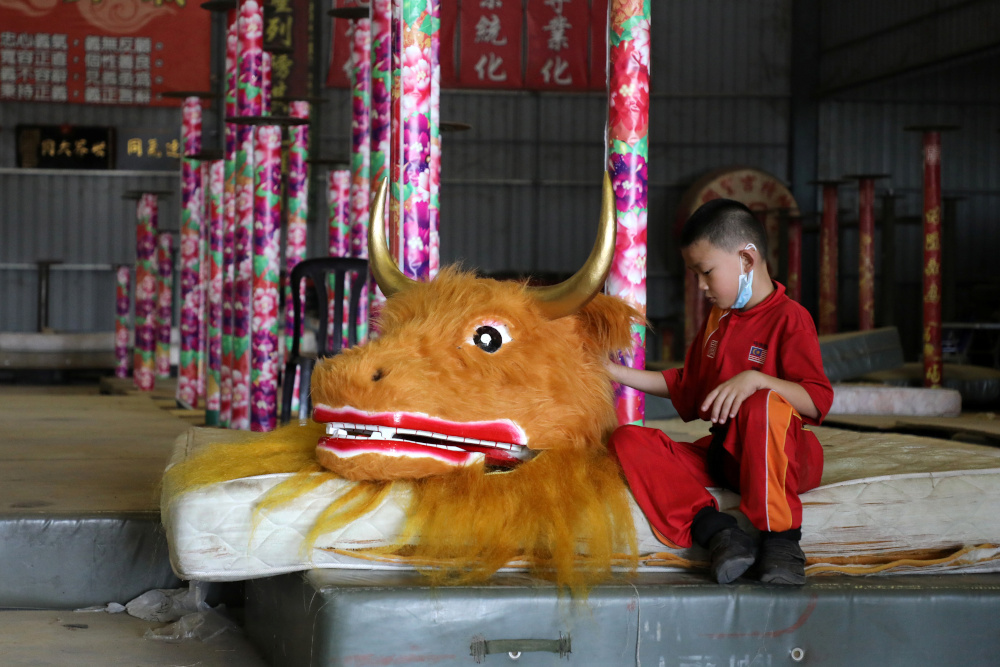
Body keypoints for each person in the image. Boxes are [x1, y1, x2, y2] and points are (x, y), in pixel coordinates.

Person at [606, 198, 833, 585]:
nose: (701, 286)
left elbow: (815, 399)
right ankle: (718, 533)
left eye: (706, 272)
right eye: (696, 274)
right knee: (626, 440)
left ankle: (781, 540)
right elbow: (686, 385)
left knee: (762, 405)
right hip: (726, 456)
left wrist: (757, 379)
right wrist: (611, 371)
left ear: (747, 259)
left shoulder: (790, 318)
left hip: (786, 456)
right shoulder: (718, 321)